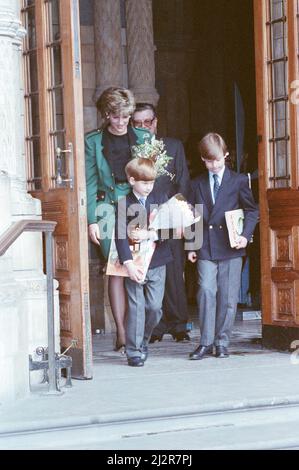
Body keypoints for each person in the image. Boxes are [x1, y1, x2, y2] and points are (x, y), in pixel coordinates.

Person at [85, 87, 151, 351]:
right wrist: (91, 219)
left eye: (125, 116)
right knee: (116, 266)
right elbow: (90, 182)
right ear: (106, 114)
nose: (122, 122)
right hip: (106, 207)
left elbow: (151, 176)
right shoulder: (93, 141)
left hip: (136, 203)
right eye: (116, 117)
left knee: (135, 263)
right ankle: (122, 333)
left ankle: (136, 330)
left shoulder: (144, 138)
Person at [188, 133, 259, 359]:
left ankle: (222, 342)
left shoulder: (238, 180)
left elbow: (251, 210)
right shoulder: (196, 183)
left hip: (231, 246)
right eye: (209, 161)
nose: (214, 165)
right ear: (202, 159)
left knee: (228, 296)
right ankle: (205, 342)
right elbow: (192, 215)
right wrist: (191, 246)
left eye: (217, 160)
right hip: (206, 247)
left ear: (226, 155)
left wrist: (245, 236)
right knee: (206, 291)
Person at [131, 103, 191, 342]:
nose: (144, 127)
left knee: (174, 272)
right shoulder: (132, 148)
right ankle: (155, 327)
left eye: (147, 122)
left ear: (155, 122)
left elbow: (183, 182)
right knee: (148, 271)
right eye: (138, 123)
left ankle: (179, 325)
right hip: (142, 217)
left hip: (169, 216)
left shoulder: (174, 146)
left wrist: (181, 218)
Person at [115, 158, 173, 366]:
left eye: (152, 183)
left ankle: (143, 341)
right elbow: (120, 236)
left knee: (154, 308)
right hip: (135, 263)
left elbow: (170, 229)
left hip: (158, 261)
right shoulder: (124, 204)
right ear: (132, 180)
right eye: (145, 183)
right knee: (136, 306)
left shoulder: (161, 198)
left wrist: (150, 234)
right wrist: (128, 263)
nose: (149, 187)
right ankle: (133, 351)